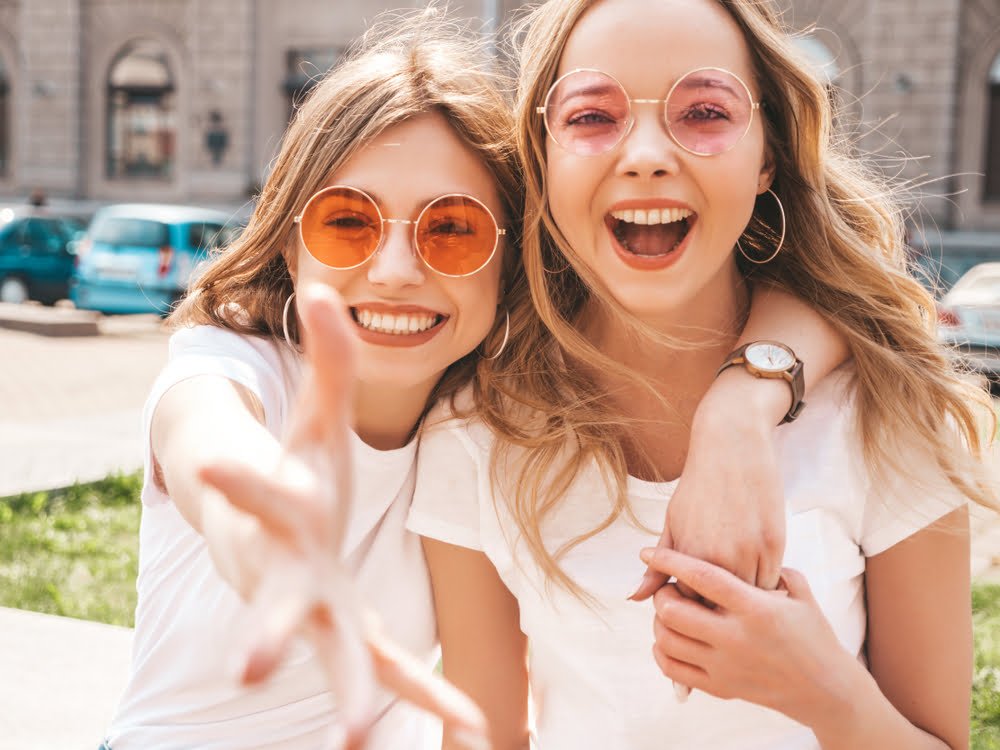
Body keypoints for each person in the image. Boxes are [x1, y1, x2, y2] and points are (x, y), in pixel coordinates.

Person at [103, 5, 849, 749]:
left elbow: (835, 306)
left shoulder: (477, 415)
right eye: (348, 223)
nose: (396, 273)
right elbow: (208, 443)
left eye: (452, 230)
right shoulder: (232, 366)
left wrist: (741, 404)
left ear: (509, 261)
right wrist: (260, 533)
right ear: (290, 245)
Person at [408, 1, 996, 749]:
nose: (647, 154)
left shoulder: (889, 412)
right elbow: (484, 735)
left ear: (766, 158)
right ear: (543, 156)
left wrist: (828, 695)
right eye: (593, 116)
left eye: (705, 111)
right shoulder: (476, 428)